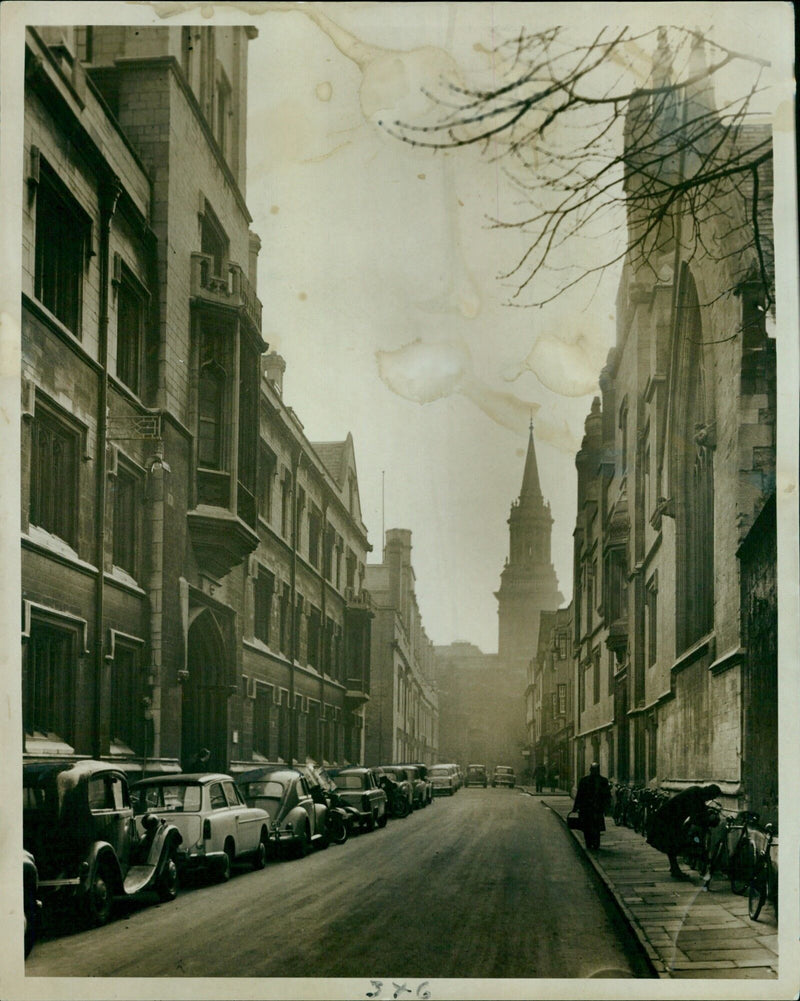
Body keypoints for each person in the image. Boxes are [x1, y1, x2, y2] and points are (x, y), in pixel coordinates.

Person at [646, 784, 722, 878]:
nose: (709, 799)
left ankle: (674, 868)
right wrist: (709, 819)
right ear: (709, 793)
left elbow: (700, 808)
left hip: (669, 819)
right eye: (712, 797)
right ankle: (675, 869)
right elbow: (696, 816)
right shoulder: (696, 795)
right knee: (672, 844)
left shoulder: (697, 791)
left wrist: (706, 812)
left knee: (671, 845)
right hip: (666, 819)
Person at [573, 762, 611, 850]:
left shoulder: (601, 781)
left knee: (594, 826)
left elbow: (606, 795)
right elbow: (579, 795)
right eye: (593, 770)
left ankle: (594, 843)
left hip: (594, 808)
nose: (594, 771)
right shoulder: (586, 780)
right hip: (589, 808)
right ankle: (590, 843)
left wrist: (606, 807)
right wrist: (576, 807)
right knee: (588, 827)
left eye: (595, 770)